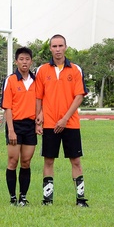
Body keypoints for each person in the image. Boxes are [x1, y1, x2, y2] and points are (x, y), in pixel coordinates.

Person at [34, 34, 89, 207]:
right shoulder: (42, 70)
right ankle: (47, 199)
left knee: (76, 161)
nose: (57, 49)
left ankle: (80, 199)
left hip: (70, 123)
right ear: (50, 48)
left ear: (66, 47)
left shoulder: (75, 69)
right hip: (50, 123)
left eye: (60, 46)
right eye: (54, 46)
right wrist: (39, 116)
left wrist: (65, 119)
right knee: (48, 160)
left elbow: (79, 96)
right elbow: (38, 97)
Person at [2, 47, 38, 206]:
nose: (24, 62)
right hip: (15, 125)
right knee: (12, 161)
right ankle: (12, 197)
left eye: (27, 59)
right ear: (16, 61)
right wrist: (11, 130)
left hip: (30, 125)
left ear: (31, 61)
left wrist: (39, 121)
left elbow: (40, 102)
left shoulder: (36, 80)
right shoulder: (10, 80)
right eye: (21, 59)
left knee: (26, 162)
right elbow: (7, 107)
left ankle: (23, 197)